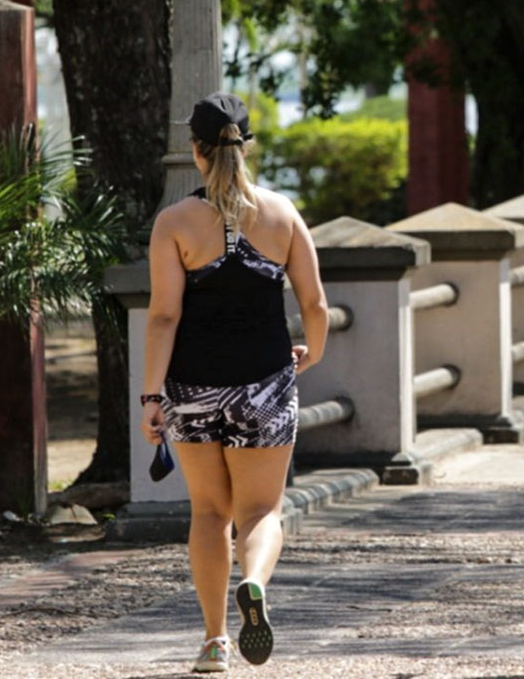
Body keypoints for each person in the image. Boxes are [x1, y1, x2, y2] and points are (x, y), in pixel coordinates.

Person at [139, 92, 329, 673]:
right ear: (247, 146)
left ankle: (215, 641)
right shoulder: (281, 214)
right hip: (265, 382)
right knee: (262, 511)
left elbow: (163, 316)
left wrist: (151, 396)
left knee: (208, 514)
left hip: (192, 387)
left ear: (195, 150)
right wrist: (312, 354)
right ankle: (255, 583)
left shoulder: (174, 223)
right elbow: (315, 304)